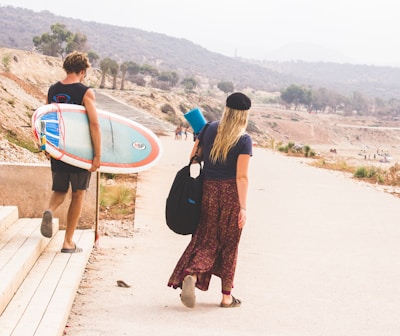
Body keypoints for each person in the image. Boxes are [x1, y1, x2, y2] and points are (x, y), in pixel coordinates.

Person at [167, 92, 252, 308]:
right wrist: (243, 207)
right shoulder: (244, 139)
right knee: (230, 244)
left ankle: (192, 275)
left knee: (205, 238)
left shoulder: (209, 128)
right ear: (244, 115)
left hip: (208, 191)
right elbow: (241, 177)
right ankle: (226, 297)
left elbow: (193, 157)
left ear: (226, 109)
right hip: (231, 194)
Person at [40, 51, 101, 253]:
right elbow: (94, 124)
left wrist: (47, 147)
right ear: (83, 71)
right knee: (78, 194)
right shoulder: (86, 92)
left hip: (58, 150)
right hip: (79, 153)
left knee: (59, 189)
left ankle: (49, 210)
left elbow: (48, 120)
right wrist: (97, 156)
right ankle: (68, 242)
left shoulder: (53, 90)